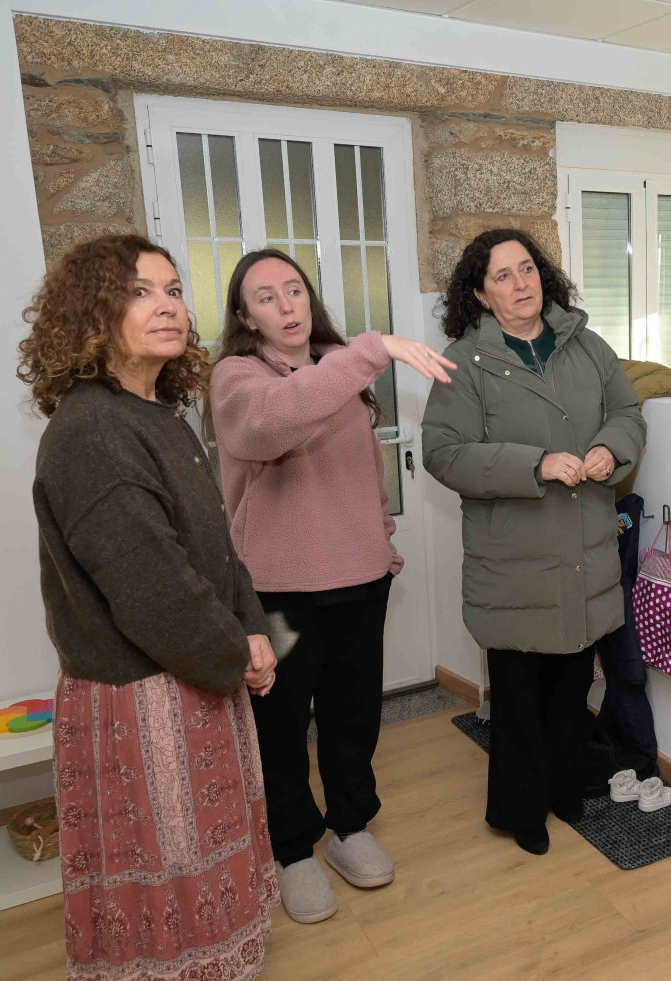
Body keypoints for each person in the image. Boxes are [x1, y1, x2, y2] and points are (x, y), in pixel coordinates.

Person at [18, 234, 280, 981]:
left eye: (172, 289)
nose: (167, 305)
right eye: (139, 291)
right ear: (90, 314)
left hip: (193, 670)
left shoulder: (157, 413)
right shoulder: (94, 430)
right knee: (169, 874)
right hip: (144, 694)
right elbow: (151, 589)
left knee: (204, 854)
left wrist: (254, 627)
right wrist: (238, 653)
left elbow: (214, 548)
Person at [207, 249, 454, 925]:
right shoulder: (236, 378)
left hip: (359, 582)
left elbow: (361, 469)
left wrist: (381, 541)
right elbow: (272, 424)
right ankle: (292, 849)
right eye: (266, 296)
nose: (287, 305)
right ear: (243, 314)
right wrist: (368, 351)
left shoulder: (337, 367)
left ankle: (350, 824)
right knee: (281, 725)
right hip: (277, 596)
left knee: (352, 716)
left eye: (294, 289)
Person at [422, 228, 647, 855]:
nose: (521, 284)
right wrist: (535, 464)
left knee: (572, 683)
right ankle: (520, 810)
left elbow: (628, 414)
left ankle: (566, 790)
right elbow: (443, 454)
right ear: (479, 294)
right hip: (514, 556)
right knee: (519, 693)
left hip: (582, 548)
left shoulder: (587, 345)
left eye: (528, 269)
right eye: (503, 276)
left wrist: (610, 448)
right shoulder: (463, 364)